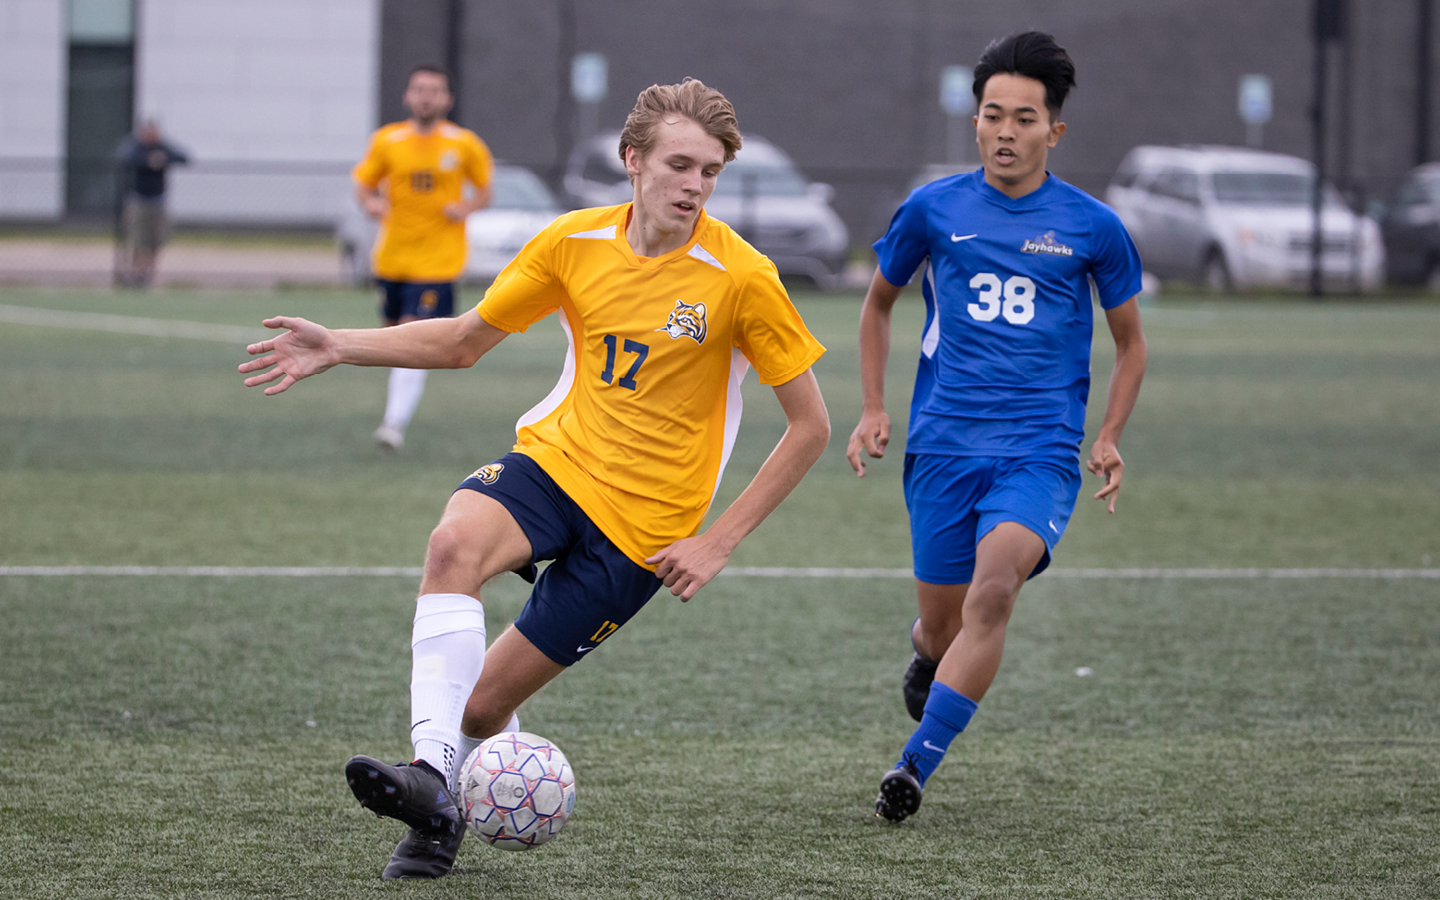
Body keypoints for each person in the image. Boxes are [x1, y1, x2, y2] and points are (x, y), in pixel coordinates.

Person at [240, 78, 830, 879]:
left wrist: (718, 542)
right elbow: (462, 341)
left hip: (640, 535)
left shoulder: (742, 276)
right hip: (555, 464)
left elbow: (810, 426)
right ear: (633, 161)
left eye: (712, 171)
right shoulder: (573, 243)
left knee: (483, 707)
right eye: (681, 164)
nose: (695, 185)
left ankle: (438, 810)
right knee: (452, 546)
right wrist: (340, 345)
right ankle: (427, 773)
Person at [847, 31, 1148, 823]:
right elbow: (878, 305)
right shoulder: (933, 209)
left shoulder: (1092, 227)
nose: (1006, 132)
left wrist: (1108, 434)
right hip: (943, 446)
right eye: (992, 116)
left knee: (994, 591)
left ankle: (914, 769)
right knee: (946, 624)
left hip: (1038, 451)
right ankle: (925, 649)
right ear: (974, 122)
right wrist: (876, 407)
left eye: (1024, 118)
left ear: (1054, 130)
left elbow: (1131, 344)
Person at [353, 63, 494, 451]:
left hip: (438, 261)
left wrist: (465, 207)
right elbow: (363, 183)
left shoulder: (463, 144)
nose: (426, 96)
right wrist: (370, 203)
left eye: (434, 90)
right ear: (407, 96)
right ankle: (395, 411)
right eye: (419, 89)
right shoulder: (387, 140)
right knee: (392, 339)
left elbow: (485, 190)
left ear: (447, 99)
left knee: (412, 335)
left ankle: (392, 424)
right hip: (393, 258)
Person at [114, 120, 188, 288]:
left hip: (158, 201)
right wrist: (148, 161)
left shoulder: (163, 147)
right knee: (139, 240)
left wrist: (163, 158)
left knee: (156, 240)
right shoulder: (136, 147)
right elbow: (126, 158)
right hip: (139, 201)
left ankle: (148, 275)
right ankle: (136, 274)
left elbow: (184, 157)